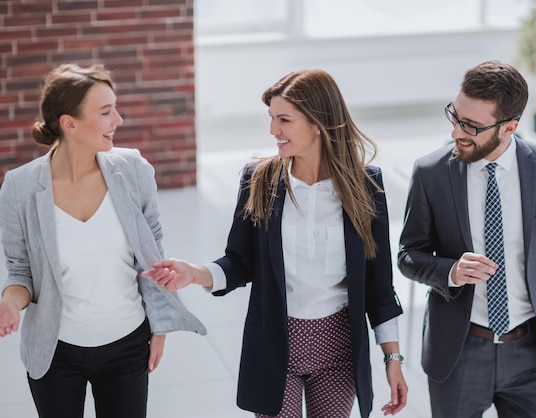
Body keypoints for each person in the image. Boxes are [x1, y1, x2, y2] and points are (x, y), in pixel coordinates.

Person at [142, 69, 408, 417]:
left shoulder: (366, 186)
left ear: (318, 123)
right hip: (274, 345)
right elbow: (239, 262)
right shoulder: (260, 179)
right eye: (271, 118)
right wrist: (193, 273)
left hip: (339, 349)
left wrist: (392, 358)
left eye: (284, 119)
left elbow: (379, 284)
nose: (273, 130)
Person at [397, 60, 536, 417]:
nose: (456, 133)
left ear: (509, 127)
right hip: (459, 353)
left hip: (531, 354)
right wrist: (451, 271)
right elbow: (408, 255)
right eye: (455, 117)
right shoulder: (430, 173)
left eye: (471, 126)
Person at [0, 63, 206, 418]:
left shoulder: (133, 169)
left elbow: (153, 255)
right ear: (69, 123)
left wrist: (160, 327)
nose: (119, 120)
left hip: (128, 344)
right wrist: (8, 301)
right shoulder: (20, 186)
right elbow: (21, 272)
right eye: (106, 112)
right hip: (55, 353)